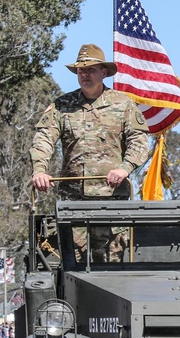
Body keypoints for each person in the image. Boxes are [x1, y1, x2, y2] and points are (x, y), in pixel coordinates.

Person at [30, 43, 149, 262]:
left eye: (91, 69)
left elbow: (139, 141)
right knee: (70, 262)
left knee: (112, 261)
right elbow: (44, 138)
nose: (84, 74)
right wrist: (39, 171)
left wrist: (124, 169)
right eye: (81, 70)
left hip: (111, 199)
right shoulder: (62, 105)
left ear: (104, 72)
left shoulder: (123, 105)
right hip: (72, 200)